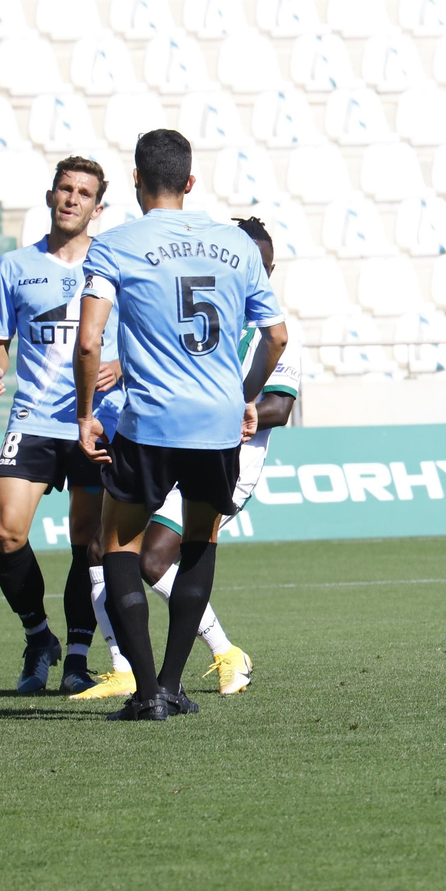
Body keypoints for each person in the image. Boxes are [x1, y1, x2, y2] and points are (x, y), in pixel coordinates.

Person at [75, 129, 288, 722]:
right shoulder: (237, 246)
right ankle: (172, 684)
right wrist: (245, 397)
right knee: (200, 538)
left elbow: (91, 339)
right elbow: (276, 337)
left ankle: (146, 693)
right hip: (218, 423)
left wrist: (87, 413)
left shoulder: (114, 245)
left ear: (137, 181)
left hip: (149, 423)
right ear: (190, 183)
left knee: (115, 543)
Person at [0, 156, 124, 694]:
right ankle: (39, 637)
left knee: (87, 542)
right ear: (50, 196)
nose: (71, 199)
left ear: (96, 207)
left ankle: (79, 657)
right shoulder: (14, 266)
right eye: (65, 189)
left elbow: (141, 332)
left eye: (83, 193)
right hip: (34, 418)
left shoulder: (112, 266)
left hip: (96, 419)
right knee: (7, 531)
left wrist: (124, 365)